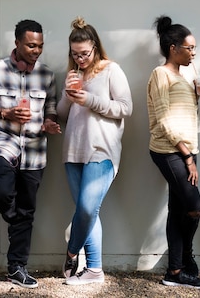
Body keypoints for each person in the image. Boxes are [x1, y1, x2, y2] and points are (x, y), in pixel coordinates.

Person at [0, 19, 60, 289]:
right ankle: (17, 220)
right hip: (3, 144)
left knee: (28, 209)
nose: (36, 50)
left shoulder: (47, 75)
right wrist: (4, 113)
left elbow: (51, 108)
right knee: (3, 195)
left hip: (35, 151)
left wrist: (49, 122)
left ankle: (17, 267)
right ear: (17, 43)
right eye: (31, 45)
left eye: (40, 46)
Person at [57, 17, 133, 286]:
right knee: (86, 211)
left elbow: (125, 107)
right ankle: (94, 271)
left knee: (88, 208)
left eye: (85, 53)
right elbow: (62, 114)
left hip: (102, 149)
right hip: (72, 151)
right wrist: (68, 93)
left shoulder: (111, 70)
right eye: (75, 54)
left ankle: (71, 251)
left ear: (96, 48)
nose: (81, 59)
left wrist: (90, 100)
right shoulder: (73, 74)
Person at [146, 16, 200, 289]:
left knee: (178, 210)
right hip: (169, 151)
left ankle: (175, 271)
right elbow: (163, 119)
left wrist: (198, 94)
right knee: (194, 208)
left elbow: (185, 116)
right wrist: (186, 157)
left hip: (186, 149)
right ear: (174, 47)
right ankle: (184, 258)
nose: (194, 53)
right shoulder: (160, 74)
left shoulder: (182, 76)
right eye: (190, 48)